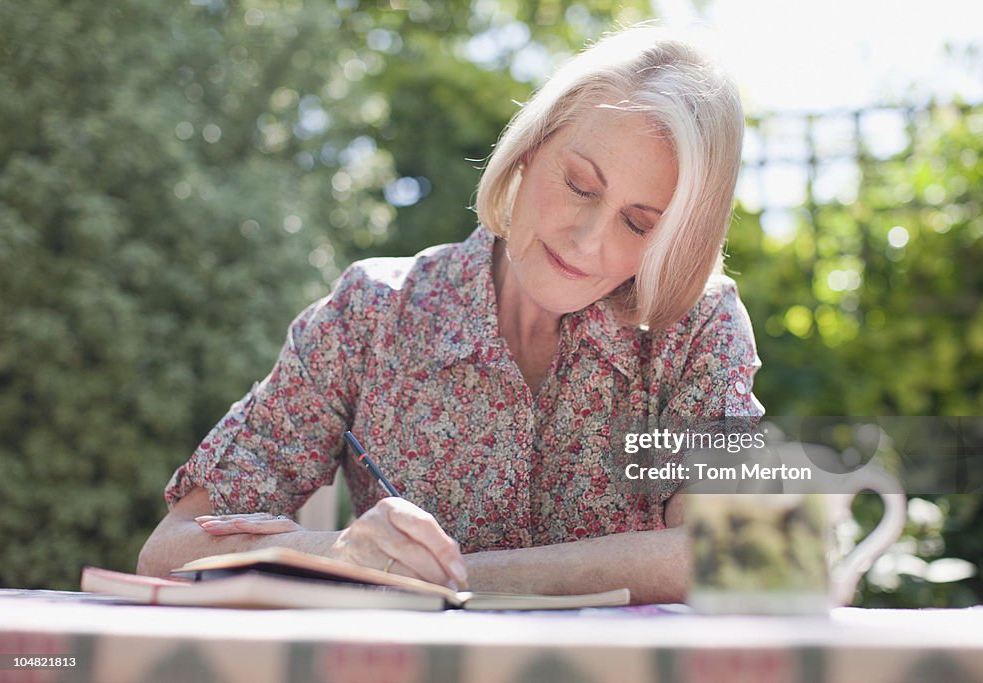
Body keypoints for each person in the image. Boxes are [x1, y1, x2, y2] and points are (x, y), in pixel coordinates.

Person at [137, 26, 763, 604]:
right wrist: (333, 552)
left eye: (637, 222)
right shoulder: (373, 314)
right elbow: (170, 551)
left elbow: (734, 555)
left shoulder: (697, 330)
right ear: (528, 151)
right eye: (579, 184)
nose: (588, 241)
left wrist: (449, 575)